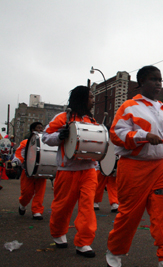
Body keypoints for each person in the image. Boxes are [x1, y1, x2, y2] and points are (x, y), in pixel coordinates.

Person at [105, 66, 163, 267]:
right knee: (129, 215)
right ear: (141, 82)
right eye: (153, 79)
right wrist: (144, 136)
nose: (158, 83)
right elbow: (116, 135)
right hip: (133, 168)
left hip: (161, 168)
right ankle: (115, 252)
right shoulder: (129, 106)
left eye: (160, 80)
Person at [42, 86, 98, 258]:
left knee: (87, 206)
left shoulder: (92, 121)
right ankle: (58, 233)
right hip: (67, 170)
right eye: (89, 97)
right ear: (81, 98)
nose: (93, 100)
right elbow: (45, 137)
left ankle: (84, 242)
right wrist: (60, 136)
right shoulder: (62, 118)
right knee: (62, 207)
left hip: (89, 170)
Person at [11, 122, 46, 220]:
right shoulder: (26, 142)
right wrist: (17, 161)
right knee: (27, 192)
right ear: (32, 130)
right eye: (38, 128)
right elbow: (19, 154)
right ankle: (23, 204)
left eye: (41, 128)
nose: (40, 130)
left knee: (40, 192)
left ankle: (37, 211)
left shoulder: (46, 142)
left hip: (41, 171)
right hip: (28, 171)